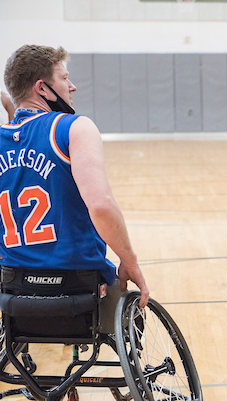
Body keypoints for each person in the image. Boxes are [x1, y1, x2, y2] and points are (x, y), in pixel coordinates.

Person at [0, 45, 149, 312]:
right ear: (42, 88)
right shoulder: (73, 127)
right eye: (65, 78)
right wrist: (129, 260)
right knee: (129, 305)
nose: (72, 86)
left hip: (14, 287)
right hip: (78, 284)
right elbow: (101, 206)